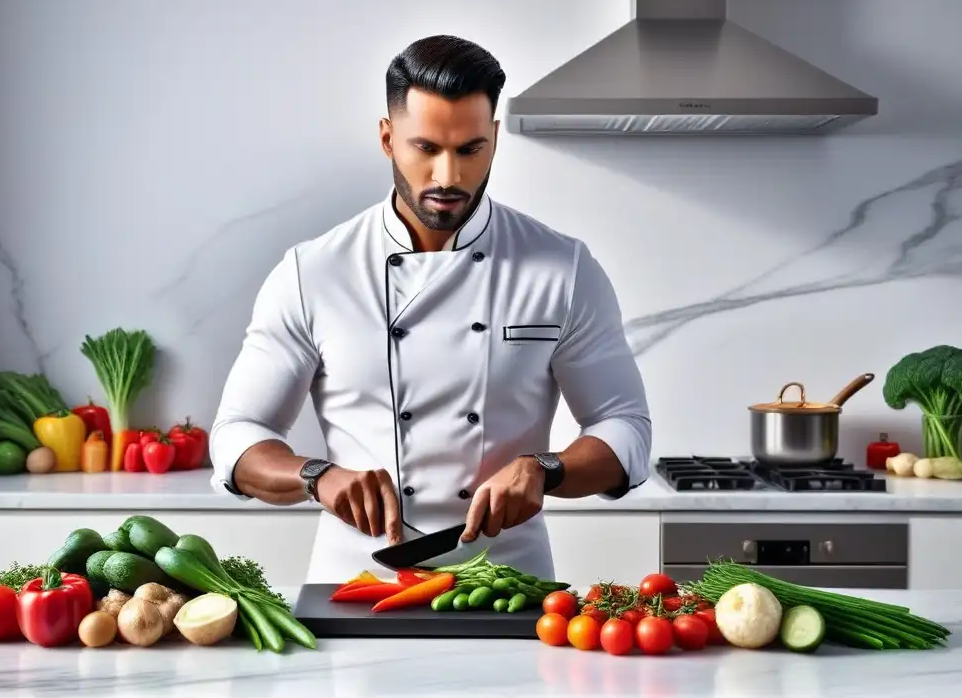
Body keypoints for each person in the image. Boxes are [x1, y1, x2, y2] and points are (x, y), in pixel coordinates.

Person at [209, 34, 652, 583]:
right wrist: (316, 475)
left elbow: (626, 426)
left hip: (509, 585)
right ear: (387, 138)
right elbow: (235, 434)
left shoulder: (563, 268)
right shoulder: (313, 273)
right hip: (357, 583)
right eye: (426, 148)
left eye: (470, 150)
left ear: (494, 139)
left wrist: (547, 468)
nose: (449, 177)